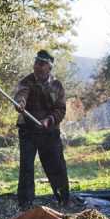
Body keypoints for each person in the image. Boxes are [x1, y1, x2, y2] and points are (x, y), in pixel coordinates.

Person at [13, 50, 70, 210]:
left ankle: (63, 200)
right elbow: (21, 95)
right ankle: (25, 204)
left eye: (42, 64)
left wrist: (49, 120)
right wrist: (20, 103)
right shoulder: (26, 81)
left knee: (56, 166)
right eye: (36, 63)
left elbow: (60, 109)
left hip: (49, 131)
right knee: (27, 167)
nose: (37, 66)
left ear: (49, 68)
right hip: (28, 131)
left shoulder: (57, 85)